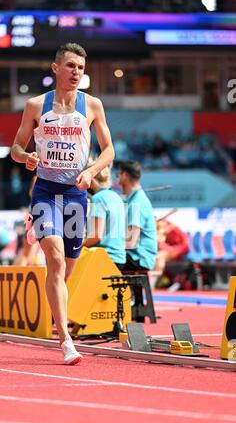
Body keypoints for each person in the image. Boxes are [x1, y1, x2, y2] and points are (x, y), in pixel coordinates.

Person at [11, 43, 115, 365]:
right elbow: (15, 146)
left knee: (65, 269)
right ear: (56, 68)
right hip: (45, 192)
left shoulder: (93, 105)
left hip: (76, 195)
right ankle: (66, 339)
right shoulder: (35, 105)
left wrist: (92, 170)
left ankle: (57, 314)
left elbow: (109, 149)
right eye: (71, 66)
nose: (76, 73)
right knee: (54, 259)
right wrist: (26, 156)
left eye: (81, 68)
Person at [117, 161, 157, 272]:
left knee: (102, 258)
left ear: (125, 175)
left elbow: (130, 242)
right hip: (136, 255)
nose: (117, 179)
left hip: (139, 258)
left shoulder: (137, 203)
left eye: (118, 175)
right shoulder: (133, 199)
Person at [83, 166, 126, 270]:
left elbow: (97, 235)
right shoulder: (116, 197)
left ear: (91, 179)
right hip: (120, 258)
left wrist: (78, 247)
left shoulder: (98, 198)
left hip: (105, 257)